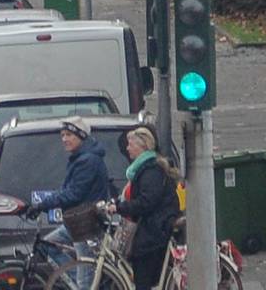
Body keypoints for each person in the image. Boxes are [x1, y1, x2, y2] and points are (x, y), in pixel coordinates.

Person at [23, 117, 117, 267]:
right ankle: (70, 278)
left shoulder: (87, 160)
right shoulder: (80, 158)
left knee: (85, 275)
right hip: (75, 222)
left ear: (81, 136)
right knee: (49, 244)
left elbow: (74, 194)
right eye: (62, 135)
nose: (65, 139)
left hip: (85, 223)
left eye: (69, 135)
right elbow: (67, 190)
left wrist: (42, 205)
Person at [113, 124, 182, 288]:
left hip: (155, 230)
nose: (127, 148)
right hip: (154, 226)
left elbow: (146, 202)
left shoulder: (150, 170)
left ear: (142, 147)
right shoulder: (146, 168)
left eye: (130, 144)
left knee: (143, 279)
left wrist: (120, 208)